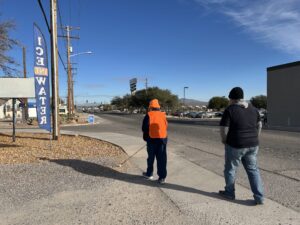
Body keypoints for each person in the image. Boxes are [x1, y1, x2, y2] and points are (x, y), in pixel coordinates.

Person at [219, 87, 264, 205]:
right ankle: (259, 197)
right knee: (253, 170)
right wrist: (256, 137)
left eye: (230, 99)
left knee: (230, 169)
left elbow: (223, 128)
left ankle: (229, 193)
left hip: (235, 144)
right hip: (253, 144)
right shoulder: (254, 109)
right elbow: (260, 125)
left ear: (232, 99)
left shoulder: (230, 109)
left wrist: (224, 140)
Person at [142, 99, 168, 184]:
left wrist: (146, 138)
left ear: (151, 107)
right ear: (158, 107)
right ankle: (162, 178)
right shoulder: (163, 115)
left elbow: (144, 128)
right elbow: (166, 126)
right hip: (162, 140)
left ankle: (149, 174)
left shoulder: (149, 115)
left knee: (151, 158)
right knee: (162, 159)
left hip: (152, 140)